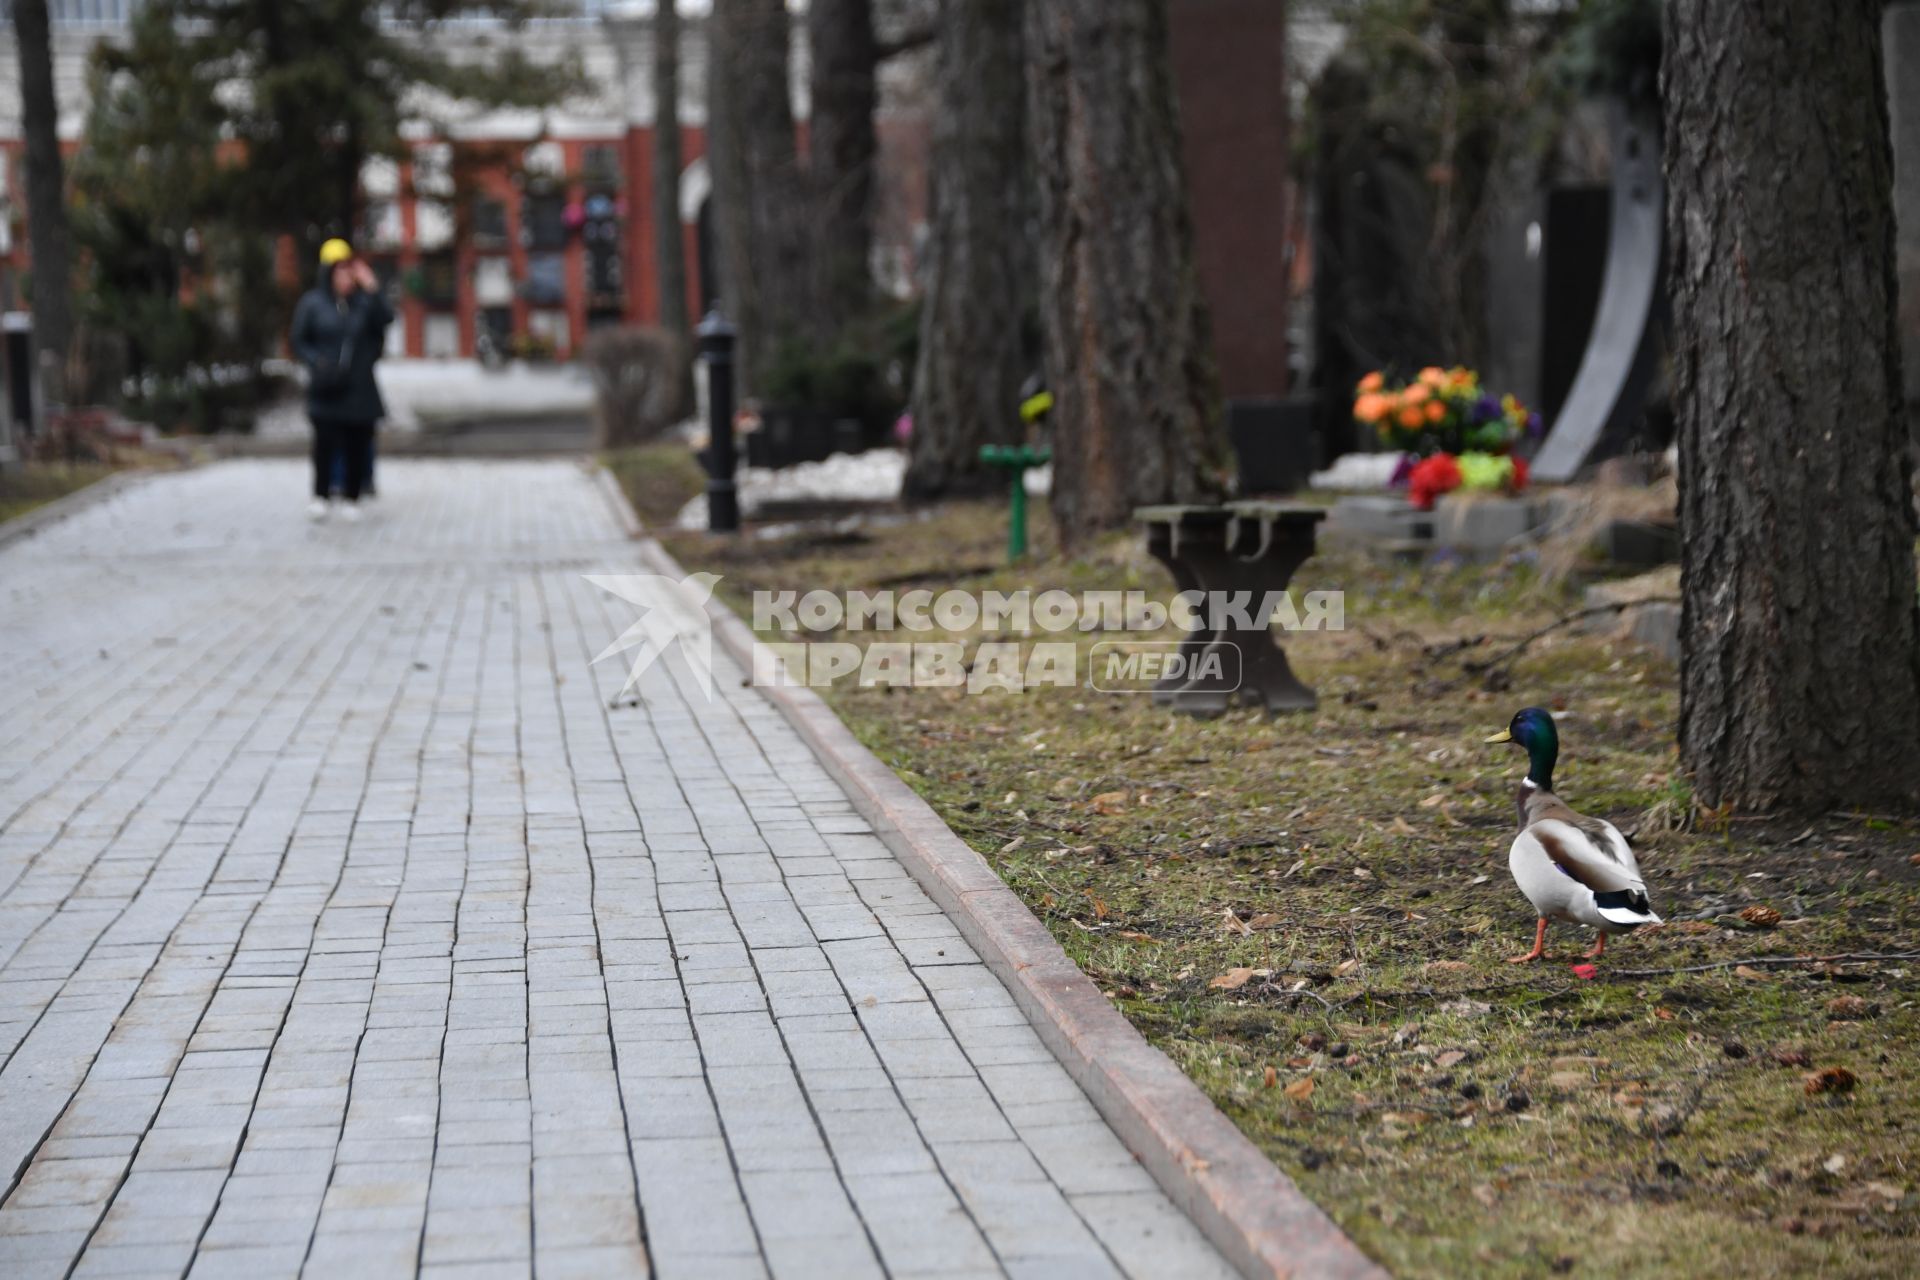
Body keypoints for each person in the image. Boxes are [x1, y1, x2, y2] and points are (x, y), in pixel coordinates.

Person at [292, 239, 393, 521]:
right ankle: (321, 494)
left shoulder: (363, 303)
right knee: (324, 444)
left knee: (356, 444)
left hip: (359, 387)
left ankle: (353, 495)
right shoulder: (313, 304)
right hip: (327, 386)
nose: (346, 278)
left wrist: (372, 287)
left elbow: (386, 319)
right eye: (340, 272)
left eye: (350, 272)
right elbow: (300, 340)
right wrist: (317, 363)